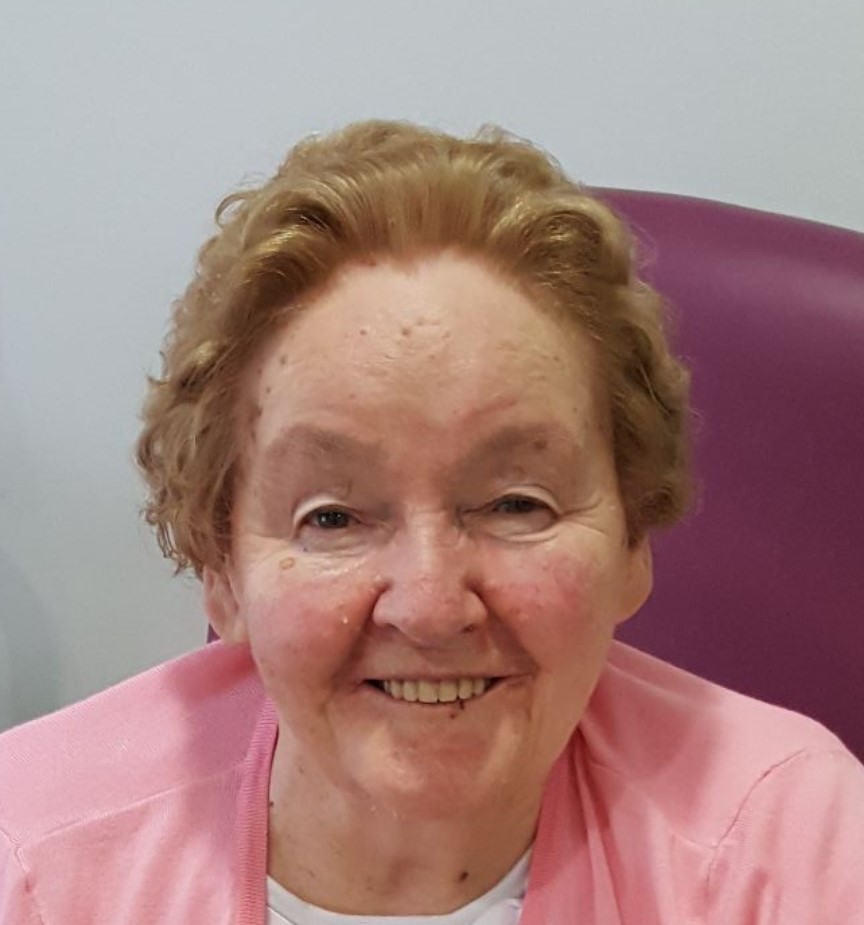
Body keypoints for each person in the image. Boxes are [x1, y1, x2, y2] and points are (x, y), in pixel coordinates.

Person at [1, 120, 862, 925]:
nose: (430, 606)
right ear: (221, 573)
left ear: (634, 539)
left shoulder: (786, 846)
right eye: (332, 517)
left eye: (517, 503)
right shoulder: (33, 864)